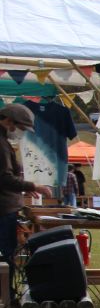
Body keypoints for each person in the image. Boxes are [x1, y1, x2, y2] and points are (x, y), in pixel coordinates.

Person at [0, 103, 52, 267]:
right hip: (3, 211)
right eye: (21, 128)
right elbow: (5, 178)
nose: (21, 133)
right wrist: (33, 186)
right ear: (9, 121)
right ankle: (6, 285)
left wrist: (24, 188)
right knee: (6, 259)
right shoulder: (1, 144)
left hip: (6, 208)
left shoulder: (3, 141)